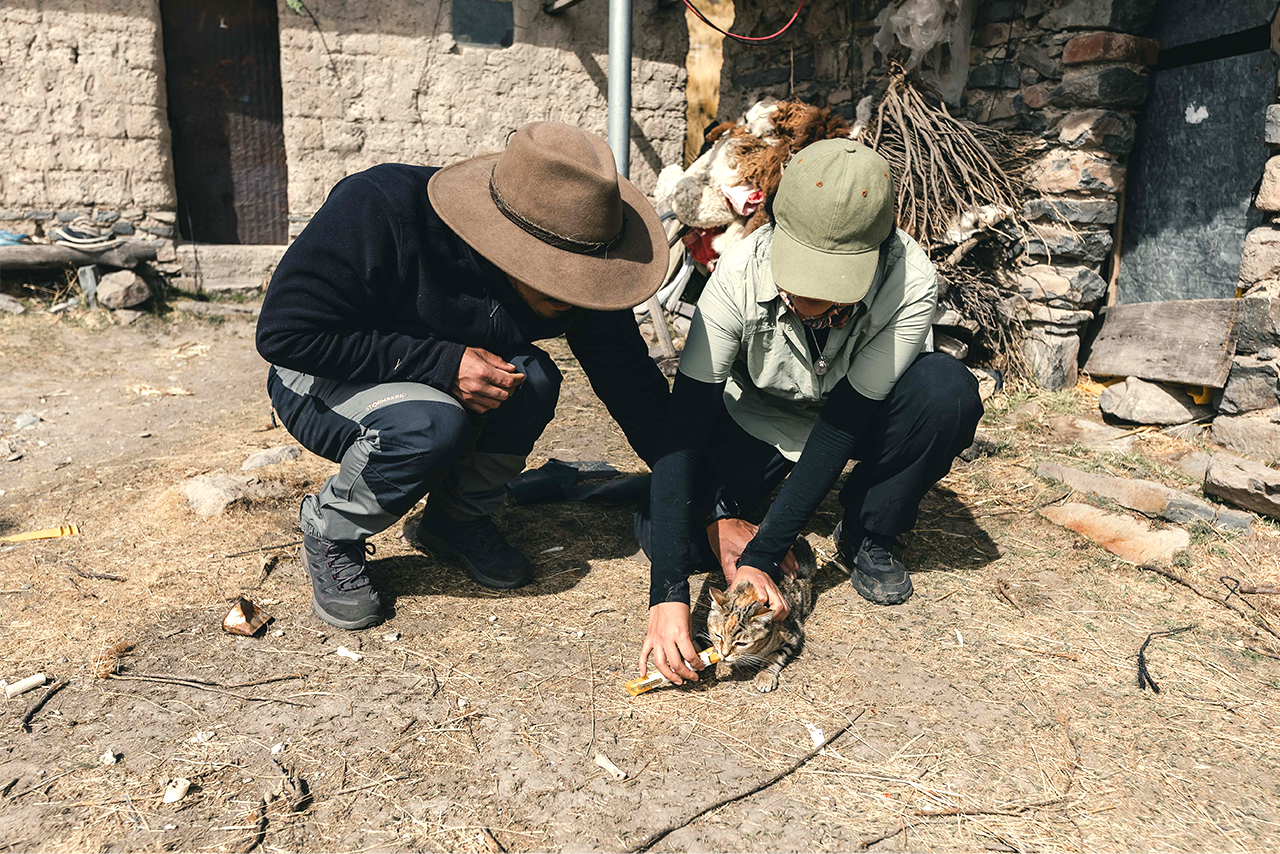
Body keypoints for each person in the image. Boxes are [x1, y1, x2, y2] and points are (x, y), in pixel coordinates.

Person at [256, 122, 671, 631]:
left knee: (533, 379)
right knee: (430, 422)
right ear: (507, 244)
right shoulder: (378, 208)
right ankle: (332, 530)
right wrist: (443, 364)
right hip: (322, 371)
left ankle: (455, 521)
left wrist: (701, 498)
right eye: (555, 277)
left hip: (422, 375)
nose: (573, 296)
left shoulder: (583, 254)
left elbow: (635, 389)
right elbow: (287, 336)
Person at [636, 138, 983, 685]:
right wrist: (670, 589)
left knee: (947, 391)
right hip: (760, 420)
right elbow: (685, 427)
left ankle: (869, 528)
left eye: (831, 281)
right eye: (797, 272)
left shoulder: (911, 283)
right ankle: (727, 516)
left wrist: (765, 553)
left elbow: (841, 423)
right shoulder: (736, 275)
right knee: (665, 531)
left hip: (856, 420)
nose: (804, 298)